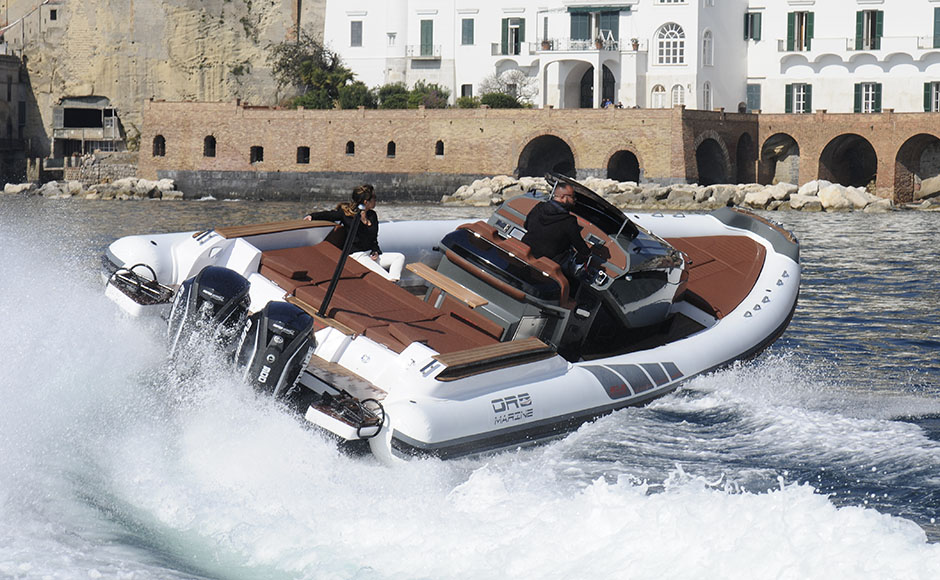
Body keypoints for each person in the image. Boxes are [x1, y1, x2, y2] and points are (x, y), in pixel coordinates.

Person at [303, 184, 405, 282]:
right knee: (384, 277)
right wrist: (312, 216)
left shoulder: (372, 215)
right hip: (357, 255)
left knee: (399, 257)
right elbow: (330, 214)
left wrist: (375, 250)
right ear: (366, 202)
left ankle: (393, 282)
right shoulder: (349, 214)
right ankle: (391, 285)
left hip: (369, 254)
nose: (376, 200)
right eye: (374, 198)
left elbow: (373, 238)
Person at [521, 182, 607, 278]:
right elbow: (581, 248)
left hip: (523, 253)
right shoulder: (569, 221)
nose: (575, 199)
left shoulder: (539, 206)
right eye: (573, 197)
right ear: (563, 197)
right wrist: (587, 253)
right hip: (547, 264)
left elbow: (526, 225)